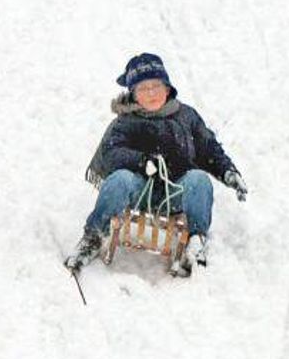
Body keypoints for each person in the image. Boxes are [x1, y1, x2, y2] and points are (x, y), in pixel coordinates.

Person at [64, 53, 248, 277]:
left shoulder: (186, 116)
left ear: (168, 87)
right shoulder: (125, 121)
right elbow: (112, 152)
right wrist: (141, 161)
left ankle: (195, 241)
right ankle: (93, 237)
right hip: (138, 190)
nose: (151, 93)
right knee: (119, 180)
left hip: (176, 190)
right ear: (133, 93)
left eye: (156, 86)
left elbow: (209, 148)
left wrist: (229, 172)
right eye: (143, 88)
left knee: (199, 180)